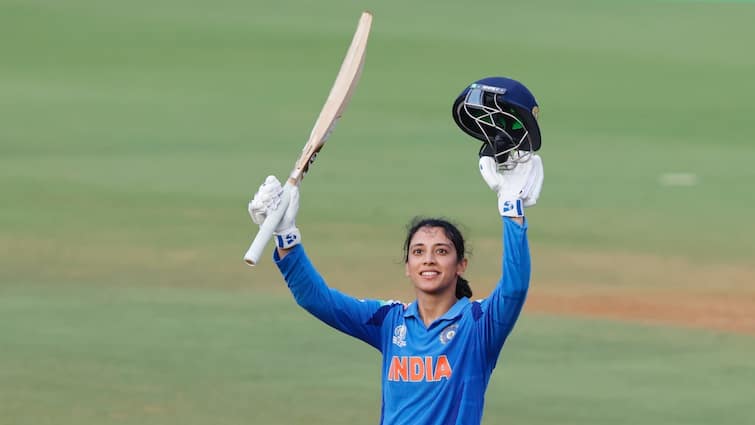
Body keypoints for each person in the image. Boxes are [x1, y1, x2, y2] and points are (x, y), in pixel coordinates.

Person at [249, 77, 544, 425]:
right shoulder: (390, 322)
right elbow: (318, 300)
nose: (428, 259)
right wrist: (286, 235)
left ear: (460, 265)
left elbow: (514, 287)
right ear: (407, 266)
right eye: (418, 252)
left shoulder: (478, 326)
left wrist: (511, 208)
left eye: (441, 251)